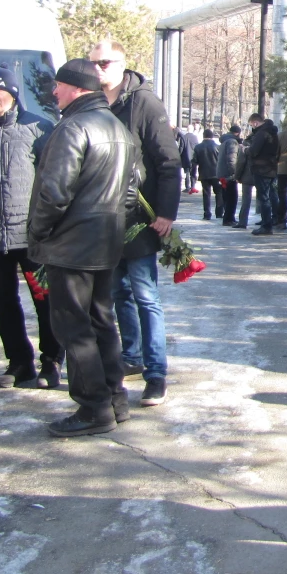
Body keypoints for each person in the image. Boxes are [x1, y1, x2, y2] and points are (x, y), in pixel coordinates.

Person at [27, 59, 139, 437]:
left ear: (75, 87)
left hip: (71, 245)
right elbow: (130, 193)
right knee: (101, 321)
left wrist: (39, 232)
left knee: (74, 327)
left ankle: (93, 408)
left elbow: (54, 192)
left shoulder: (73, 127)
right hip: (105, 242)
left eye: (58, 85)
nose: (53, 92)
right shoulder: (118, 128)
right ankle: (115, 399)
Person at [89, 39, 182, 408]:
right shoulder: (92, 103)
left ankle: (156, 373)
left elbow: (168, 161)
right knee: (117, 293)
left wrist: (165, 212)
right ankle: (131, 355)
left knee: (145, 295)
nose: (98, 69)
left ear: (122, 64)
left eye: (105, 62)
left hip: (140, 218)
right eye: (93, 62)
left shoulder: (144, 102)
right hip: (103, 218)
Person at [0, 65, 61, 389]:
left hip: (32, 234)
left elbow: (52, 182)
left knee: (44, 299)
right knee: (3, 302)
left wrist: (49, 225)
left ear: (13, 94)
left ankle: (51, 359)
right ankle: (19, 362)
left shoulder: (38, 128)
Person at [245, 113, 280, 236]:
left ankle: (266, 225)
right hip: (271, 168)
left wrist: (246, 150)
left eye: (251, 125)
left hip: (261, 168)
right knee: (270, 195)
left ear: (255, 122)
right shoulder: (273, 133)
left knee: (263, 197)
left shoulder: (261, 133)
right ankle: (272, 220)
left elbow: (254, 151)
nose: (252, 127)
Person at [193, 128, 224, 221]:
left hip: (204, 173)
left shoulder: (198, 147)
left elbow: (194, 161)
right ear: (212, 136)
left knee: (206, 194)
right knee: (219, 193)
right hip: (216, 174)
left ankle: (207, 214)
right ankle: (219, 213)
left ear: (203, 136)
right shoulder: (218, 147)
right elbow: (221, 161)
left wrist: (193, 175)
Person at [218, 123, 242, 226]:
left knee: (227, 197)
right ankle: (228, 219)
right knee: (232, 197)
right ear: (237, 133)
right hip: (229, 175)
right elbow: (232, 159)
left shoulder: (224, 141)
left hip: (222, 173)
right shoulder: (232, 142)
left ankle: (228, 218)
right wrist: (235, 173)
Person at [178, 125, 199, 193]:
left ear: (187, 129)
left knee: (187, 173)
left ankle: (187, 187)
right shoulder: (195, 137)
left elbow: (181, 148)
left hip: (185, 157)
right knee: (193, 173)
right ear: (192, 129)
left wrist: (178, 156)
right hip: (193, 158)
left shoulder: (183, 137)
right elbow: (197, 147)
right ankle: (193, 187)